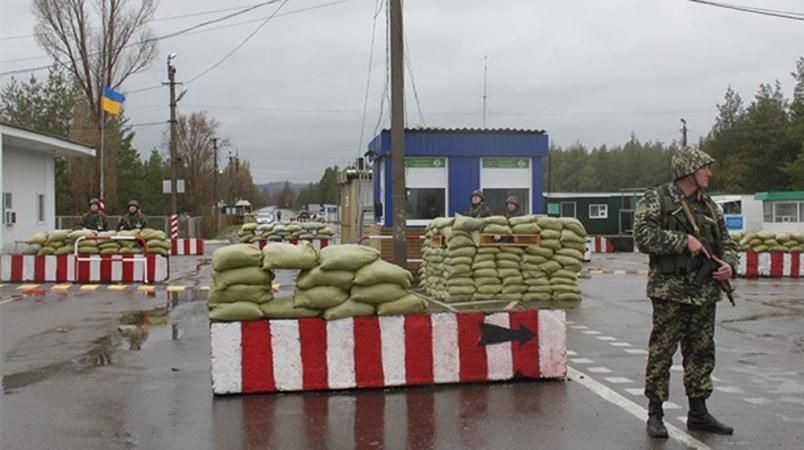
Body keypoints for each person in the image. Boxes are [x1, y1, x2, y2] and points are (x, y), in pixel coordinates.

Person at [634, 147, 737, 439]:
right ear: (690, 170)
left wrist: (729, 265)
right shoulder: (657, 200)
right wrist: (683, 241)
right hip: (671, 290)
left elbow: (727, 242)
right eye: (705, 167)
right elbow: (642, 236)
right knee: (662, 352)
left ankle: (699, 412)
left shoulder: (710, 207)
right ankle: (655, 413)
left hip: (704, 292)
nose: (709, 173)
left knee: (702, 352)